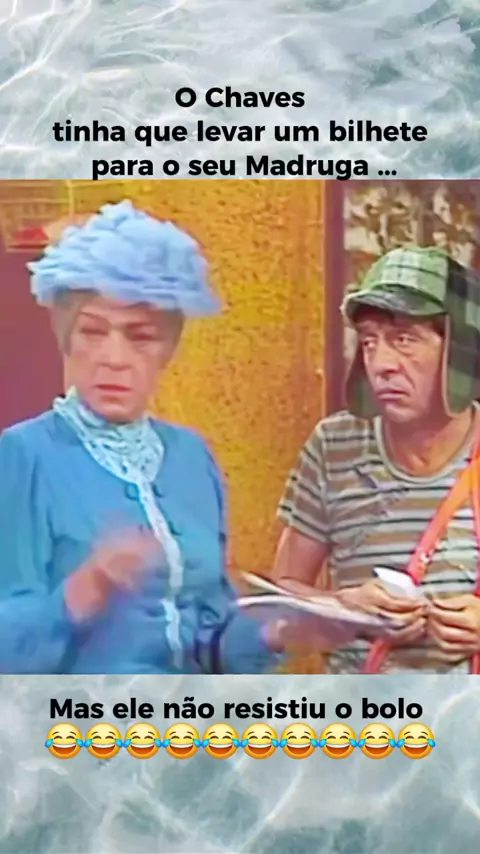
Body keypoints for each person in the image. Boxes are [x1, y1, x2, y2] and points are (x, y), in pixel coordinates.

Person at [0, 199, 289, 674]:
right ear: (66, 339)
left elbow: (210, 641)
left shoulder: (191, 456)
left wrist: (277, 631)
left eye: (139, 337)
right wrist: (84, 588)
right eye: (93, 332)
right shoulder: (24, 454)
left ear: (166, 349)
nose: (113, 358)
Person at [273, 244, 480, 674]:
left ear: (458, 348)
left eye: (404, 339)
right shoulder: (334, 446)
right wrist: (344, 610)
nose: (381, 363)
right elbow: (280, 610)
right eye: (369, 341)